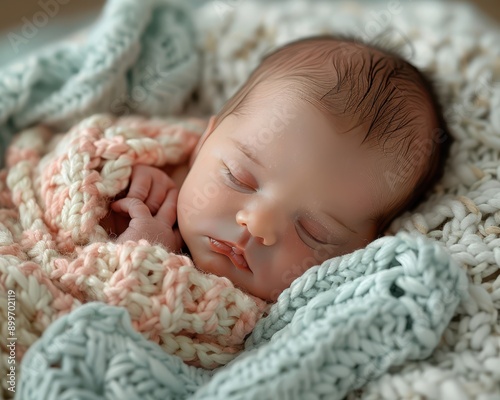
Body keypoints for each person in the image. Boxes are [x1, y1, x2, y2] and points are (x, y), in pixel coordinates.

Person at [100, 35, 451, 302]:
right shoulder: (142, 176)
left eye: (313, 231)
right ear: (205, 141)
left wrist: (144, 260)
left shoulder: (272, 324)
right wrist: (117, 190)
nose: (258, 224)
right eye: (239, 178)